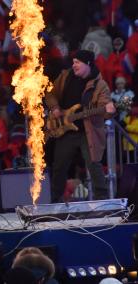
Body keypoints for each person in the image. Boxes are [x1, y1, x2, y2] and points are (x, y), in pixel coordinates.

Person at [45, 50, 116, 202]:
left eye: (77, 62)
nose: (74, 65)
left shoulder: (100, 85)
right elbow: (50, 94)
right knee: (59, 166)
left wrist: (108, 110)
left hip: (88, 132)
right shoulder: (65, 76)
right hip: (65, 131)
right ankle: (54, 200)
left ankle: (101, 200)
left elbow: (105, 108)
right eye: (73, 62)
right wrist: (55, 108)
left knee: (93, 164)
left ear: (88, 64)